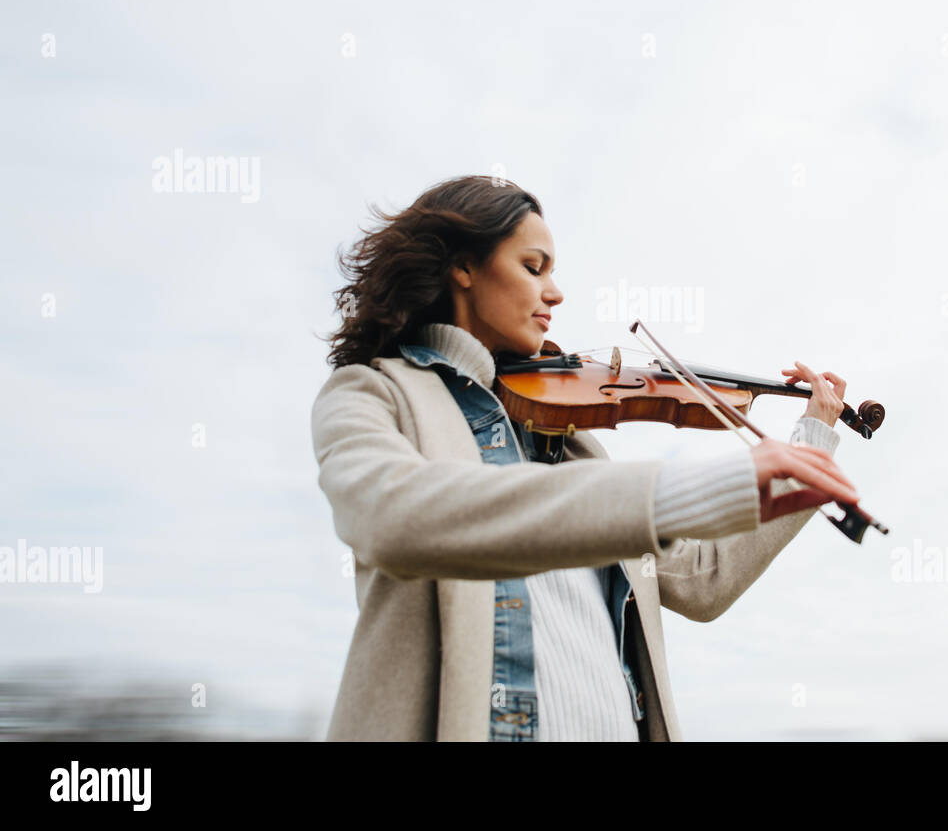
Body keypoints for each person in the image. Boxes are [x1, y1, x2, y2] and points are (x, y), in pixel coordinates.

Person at [311, 174, 862, 741]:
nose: (555, 293)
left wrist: (810, 443)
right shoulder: (373, 395)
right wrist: (670, 493)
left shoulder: (572, 443)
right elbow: (395, 519)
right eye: (533, 267)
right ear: (464, 267)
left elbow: (705, 581)